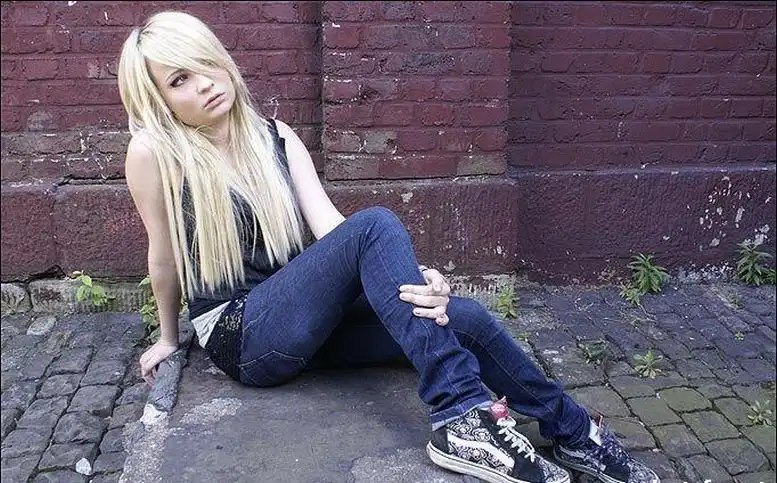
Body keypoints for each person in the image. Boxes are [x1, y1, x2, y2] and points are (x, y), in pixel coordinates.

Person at [117, 11, 660, 483]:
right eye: (180, 80)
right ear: (159, 100)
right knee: (375, 223)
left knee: (465, 317)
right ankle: (461, 414)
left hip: (307, 323)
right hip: (243, 335)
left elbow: (334, 231)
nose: (204, 83)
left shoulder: (274, 136)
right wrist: (168, 338)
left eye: (205, 63)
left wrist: (415, 279)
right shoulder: (154, 153)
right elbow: (162, 256)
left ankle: (573, 431)